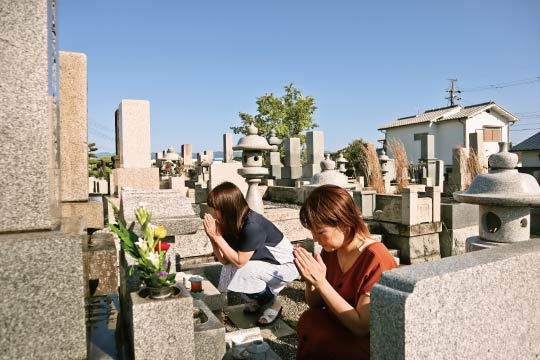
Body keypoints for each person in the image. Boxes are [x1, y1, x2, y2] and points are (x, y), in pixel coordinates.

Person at [293, 184, 397, 359]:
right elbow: (315, 304)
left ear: (344, 224)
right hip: (340, 326)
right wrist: (310, 279)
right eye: (313, 232)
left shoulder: (375, 258)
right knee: (309, 319)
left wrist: (321, 282)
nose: (316, 239)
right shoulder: (331, 250)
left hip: (368, 342)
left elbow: (362, 326)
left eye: (320, 232)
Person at [203, 182, 299, 325]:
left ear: (228, 208)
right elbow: (225, 261)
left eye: (216, 209)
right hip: (265, 266)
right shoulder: (231, 223)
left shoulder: (253, 226)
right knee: (230, 269)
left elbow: (240, 261)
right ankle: (260, 299)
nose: (214, 213)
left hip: (285, 267)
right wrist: (213, 237)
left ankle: (273, 304)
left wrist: (217, 237)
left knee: (244, 270)